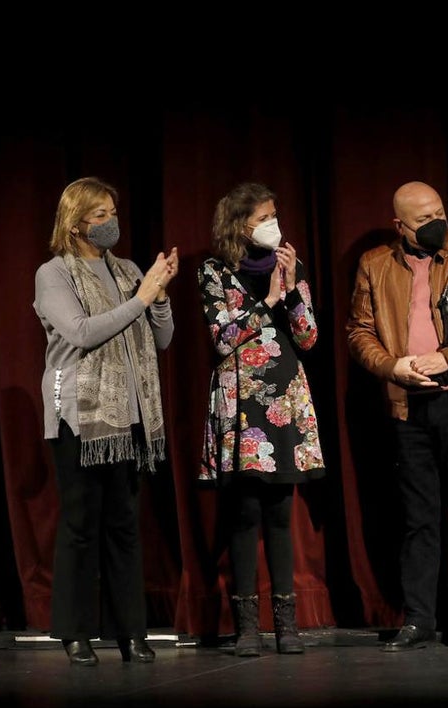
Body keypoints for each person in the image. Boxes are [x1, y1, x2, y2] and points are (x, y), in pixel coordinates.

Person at [347, 181, 448, 652]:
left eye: (439, 212)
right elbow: (358, 330)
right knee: (419, 517)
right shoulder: (375, 263)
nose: (435, 222)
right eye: (423, 220)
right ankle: (420, 617)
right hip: (407, 403)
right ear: (399, 225)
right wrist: (391, 367)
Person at [34, 176, 179, 666]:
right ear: (75, 223)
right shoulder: (54, 274)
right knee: (80, 524)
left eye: (112, 212)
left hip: (128, 415)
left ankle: (131, 633)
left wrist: (157, 296)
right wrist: (140, 299)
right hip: (78, 412)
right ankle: (75, 632)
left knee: (123, 526)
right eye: (100, 215)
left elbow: (162, 339)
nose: (110, 222)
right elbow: (80, 332)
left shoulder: (127, 270)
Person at [198, 181, 326, 656]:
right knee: (244, 511)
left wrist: (291, 291)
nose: (274, 225)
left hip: (285, 400)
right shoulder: (214, 272)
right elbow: (224, 337)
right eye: (263, 218)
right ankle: (247, 626)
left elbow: (309, 338)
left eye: (276, 214)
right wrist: (267, 300)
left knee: (278, 511)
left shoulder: (290, 267)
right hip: (241, 403)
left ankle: (287, 625)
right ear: (240, 225)